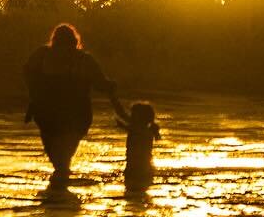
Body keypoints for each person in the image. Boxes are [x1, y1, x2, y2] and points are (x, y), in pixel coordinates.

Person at [23, 22, 124, 189]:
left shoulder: (42, 55)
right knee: (63, 156)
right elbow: (102, 84)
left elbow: (27, 74)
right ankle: (61, 191)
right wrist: (113, 89)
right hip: (73, 114)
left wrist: (34, 96)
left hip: (50, 114)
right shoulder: (83, 59)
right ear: (75, 41)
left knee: (57, 155)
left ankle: (59, 192)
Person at [117, 100, 161, 191]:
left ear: (141, 117)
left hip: (140, 170)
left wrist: (123, 126)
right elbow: (121, 114)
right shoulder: (140, 127)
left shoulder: (144, 131)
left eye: (133, 114)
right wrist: (113, 98)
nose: (131, 115)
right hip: (137, 169)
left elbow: (134, 129)